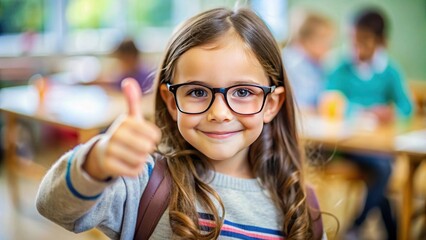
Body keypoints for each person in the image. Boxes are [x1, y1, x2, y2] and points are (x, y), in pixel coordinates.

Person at [36, 7, 325, 240]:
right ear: (172, 101)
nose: (220, 113)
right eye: (198, 92)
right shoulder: (144, 183)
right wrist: (96, 162)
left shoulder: (299, 207)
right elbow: (53, 207)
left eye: (243, 92)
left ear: (271, 104)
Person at [326, 7, 414, 240]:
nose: (356, 48)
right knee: (384, 171)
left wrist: (393, 113)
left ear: (381, 42)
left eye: (363, 41)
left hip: (379, 147)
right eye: (352, 40)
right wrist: (362, 111)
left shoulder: (390, 71)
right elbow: (329, 99)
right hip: (347, 145)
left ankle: (362, 228)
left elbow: (407, 108)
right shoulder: (341, 67)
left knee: (381, 171)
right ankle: (360, 228)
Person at [282, 9, 335, 112]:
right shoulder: (290, 62)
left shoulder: (318, 64)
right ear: (307, 41)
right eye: (325, 41)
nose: (328, 47)